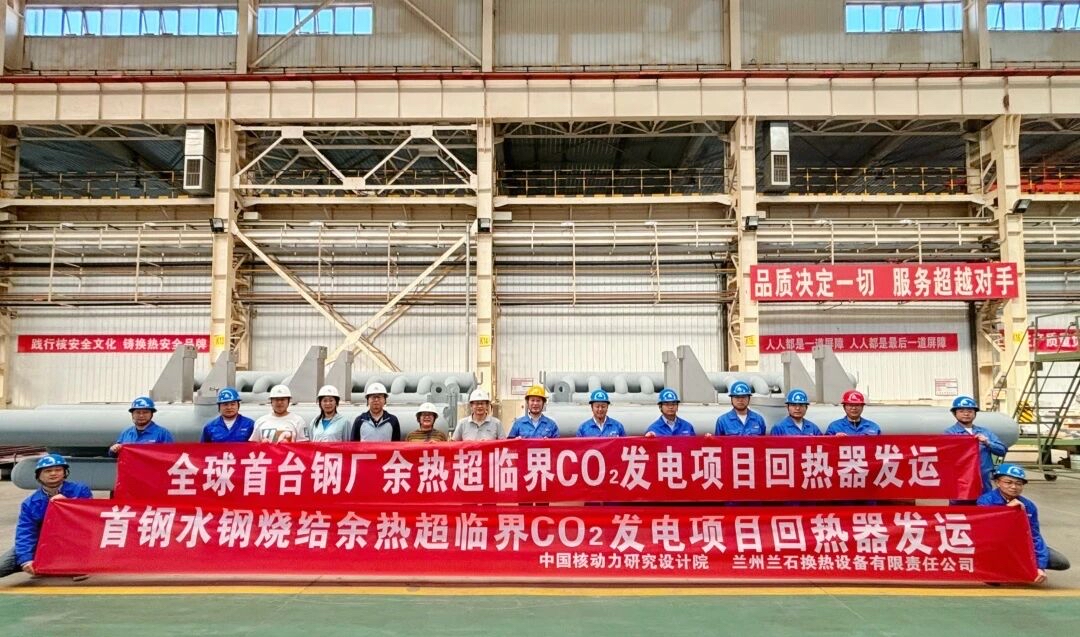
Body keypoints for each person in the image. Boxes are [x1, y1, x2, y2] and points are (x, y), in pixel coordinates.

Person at [0, 454, 92, 578]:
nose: (53, 473)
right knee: (3, 566)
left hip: (73, 539)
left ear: (65, 472)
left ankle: (75, 563)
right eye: (48, 471)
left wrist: (68, 503)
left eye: (58, 470)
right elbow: (26, 532)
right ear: (38, 475)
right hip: (43, 541)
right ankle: (40, 564)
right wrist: (26, 559)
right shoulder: (30, 503)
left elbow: (88, 516)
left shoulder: (80, 490)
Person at [977, 463, 1071, 584]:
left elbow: (1034, 536)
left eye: (1019, 483)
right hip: (995, 547)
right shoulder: (985, 501)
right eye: (1008, 482)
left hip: (1019, 546)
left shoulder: (1029, 506)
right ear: (997, 482)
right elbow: (986, 532)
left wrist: (1039, 566)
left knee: (1060, 562)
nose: (1014, 487)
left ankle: (1016, 569)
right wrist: (1007, 511)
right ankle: (994, 569)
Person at [944, 395, 1007, 494]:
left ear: (975, 414)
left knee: (984, 502)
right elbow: (945, 457)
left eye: (970, 411)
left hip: (983, 479)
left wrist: (987, 443)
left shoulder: (985, 432)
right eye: (961, 411)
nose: (966, 414)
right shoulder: (949, 433)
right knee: (960, 503)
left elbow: (1002, 450)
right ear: (954, 414)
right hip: (960, 480)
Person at [109, 396, 174, 456]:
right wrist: (113, 450)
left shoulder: (163, 433)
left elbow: (170, 456)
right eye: (138, 412)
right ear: (132, 415)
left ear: (151, 414)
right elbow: (116, 454)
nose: (141, 415)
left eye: (145, 412)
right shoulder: (126, 433)